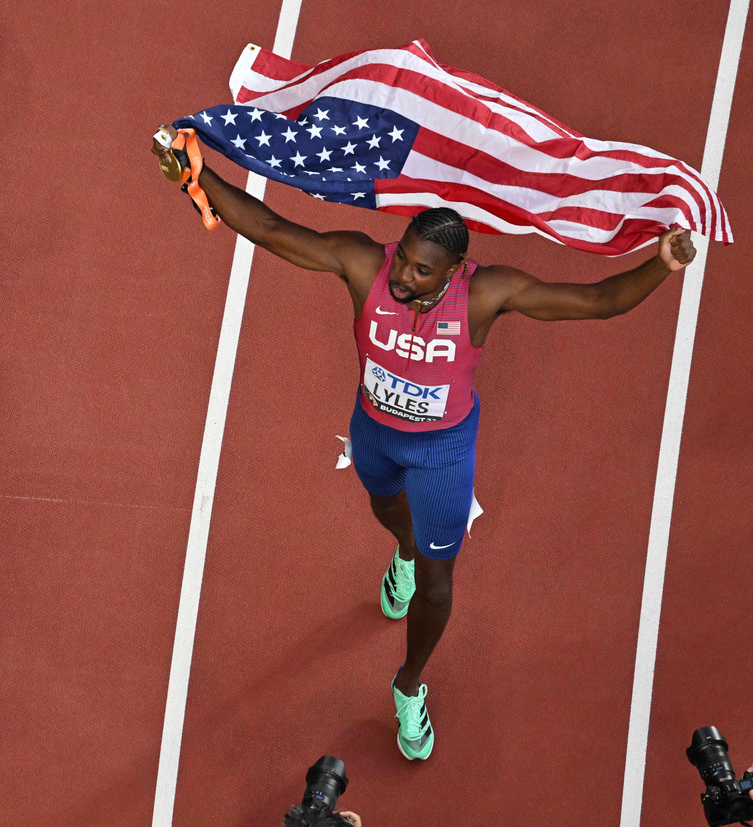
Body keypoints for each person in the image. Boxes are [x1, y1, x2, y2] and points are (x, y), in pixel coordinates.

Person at [151, 125, 696, 761]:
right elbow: (273, 230)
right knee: (387, 513)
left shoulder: (486, 293)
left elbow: (599, 301)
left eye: (420, 270)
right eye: (403, 257)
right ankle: (403, 551)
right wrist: (199, 175)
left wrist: (662, 264)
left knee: (439, 589)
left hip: (442, 454)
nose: (404, 275)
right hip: (375, 433)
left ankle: (408, 686)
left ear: (455, 271)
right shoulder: (366, 265)